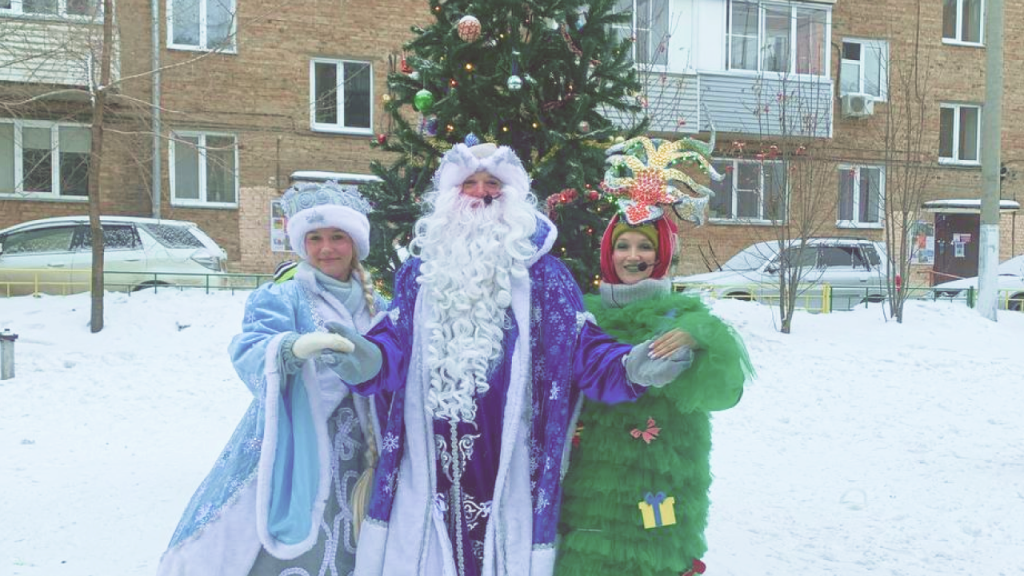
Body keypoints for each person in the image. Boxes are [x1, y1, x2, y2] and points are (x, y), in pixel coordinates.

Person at [321, 138, 693, 576]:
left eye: (492, 183)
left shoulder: (546, 277)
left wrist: (633, 365)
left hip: (510, 464)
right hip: (426, 467)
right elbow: (392, 345)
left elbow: (583, 347)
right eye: (470, 184)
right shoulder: (419, 276)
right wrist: (365, 358)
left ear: (513, 192)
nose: (481, 193)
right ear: (450, 197)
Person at [157, 181, 387, 576]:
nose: (326, 248)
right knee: (285, 528)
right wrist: (289, 349)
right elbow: (248, 349)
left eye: (337, 237)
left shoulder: (379, 305)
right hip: (295, 440)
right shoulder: (281, 297)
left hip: (365, 447)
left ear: (356, 243)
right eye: (314, 238)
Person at [555, 137, 754, 576]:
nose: (633, 256)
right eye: (622, 246)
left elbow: (726, 393)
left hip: (658, 491)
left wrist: (701, 340)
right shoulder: (582, 316)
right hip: (589, 488)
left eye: (644, 246)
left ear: (662, 253)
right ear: (608, 252)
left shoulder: (688, 318)